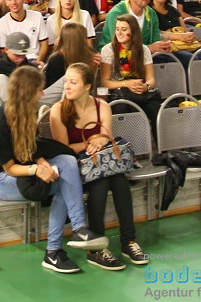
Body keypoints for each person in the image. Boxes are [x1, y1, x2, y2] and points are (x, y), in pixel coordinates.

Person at [0, 66, 107, 274]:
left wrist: (41, 160)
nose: (43, 93)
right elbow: (10, 168)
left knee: (67, 161)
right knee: (61, 183)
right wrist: (37, 169)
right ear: (28, 91)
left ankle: (79, 230)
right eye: (40, 89)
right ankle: (53, 251)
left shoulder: (27, 111)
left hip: (24, 166)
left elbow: (29, 147)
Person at [50, 62, 149, 270]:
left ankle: (128, 241)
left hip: (100, 162)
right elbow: (64, 149)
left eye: (73, 82)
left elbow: (106, 137)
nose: (67, 86)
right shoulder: (58, 110)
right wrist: (91, 141)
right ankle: (96, 248)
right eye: (66, 81)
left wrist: (101, 140)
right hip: (75, 166)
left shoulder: (102, 106)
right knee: (100, 182)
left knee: (119, 180)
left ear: (87, 86)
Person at [99, 15, 160, 125]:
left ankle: (159, 142)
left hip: (139, 92)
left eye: (124, 29)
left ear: (133, 31)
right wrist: (127, 84)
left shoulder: (144, 50)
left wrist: (145, 87)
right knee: (123, 108)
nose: (119, 33)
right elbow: (105, 82)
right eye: (117, 29)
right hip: (118, 93)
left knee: (154, 108)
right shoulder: (108, 50)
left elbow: (151, 80)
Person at [0, 0, 49, 65]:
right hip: (14, 63)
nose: (13, 2)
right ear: (6, 2)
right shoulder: (1, 23)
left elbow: (44, 43)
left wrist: (38, 60)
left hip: (34, 60)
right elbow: (3, 51)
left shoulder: (37, 16)